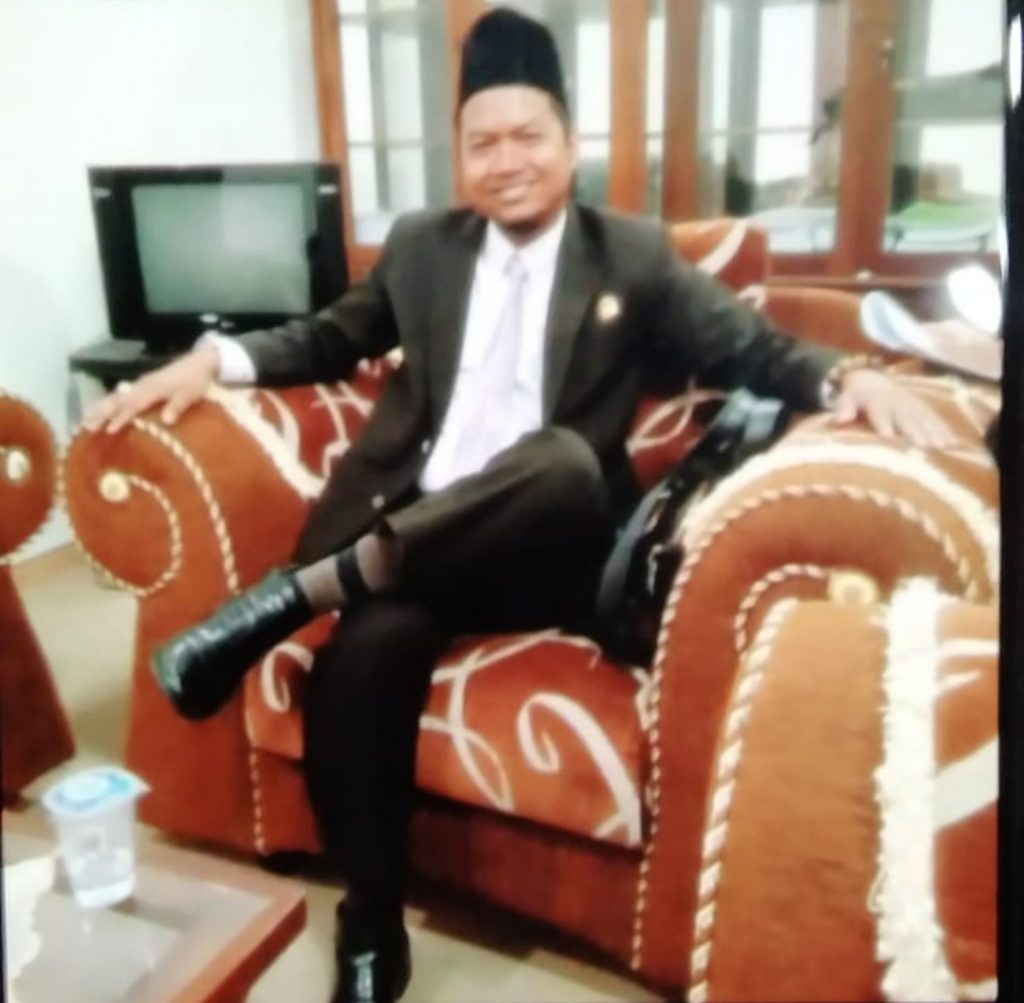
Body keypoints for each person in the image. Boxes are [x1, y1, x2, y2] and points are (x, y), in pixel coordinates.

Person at [84, 9, 957, 1002]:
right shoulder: (422, 246)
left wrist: (846, 375)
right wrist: (210, 359)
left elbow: (750, 347)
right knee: (363, 659)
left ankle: (285, 600)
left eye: (528, 136)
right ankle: (369, 921)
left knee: (562, 459)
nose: (506, 162)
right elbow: (329, 336)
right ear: (460, 156)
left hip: (547, 544)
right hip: (416, 543)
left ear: (570, 143)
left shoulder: (630, 253)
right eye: (482, 143)